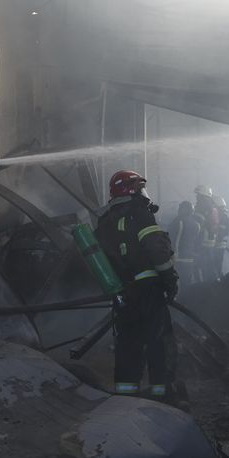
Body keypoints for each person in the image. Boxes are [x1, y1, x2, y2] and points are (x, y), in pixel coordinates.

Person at [95, 170, 179, 400]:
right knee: (159, 343)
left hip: (123, 296)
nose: (144, 192)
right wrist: (170, 280)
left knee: (127, 346)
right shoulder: (139, 213)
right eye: (140, 188)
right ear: (131, 190)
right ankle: (163, 394)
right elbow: (157, 250)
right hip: (149, 291)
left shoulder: (104, 221)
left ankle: (126, 397)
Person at [168, 201, 200, 287]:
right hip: (190, 260)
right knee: (186, 285)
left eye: (181, 208)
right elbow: (197, 242)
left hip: (177, 260)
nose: (178, 210)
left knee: (174, 286)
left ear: (185, 210)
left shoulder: (178, 221)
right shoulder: (197, 224)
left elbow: (170, 238)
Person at [193, 185, 219, 282]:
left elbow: (198, 225)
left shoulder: (203, 208)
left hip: (202, 243)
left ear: (203, 197)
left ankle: (204, 288)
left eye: (198, 195)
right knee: (208, 267)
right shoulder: (212, 208)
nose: (196, 198)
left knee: (202, 267)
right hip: (208, 243)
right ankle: (213, 285)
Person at [212, 195, 229, 280]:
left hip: (219, 245)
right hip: (219, 244)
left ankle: (219, 280)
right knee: (216, 265)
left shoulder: (223, 216)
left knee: (216, 265)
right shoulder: (221, 215)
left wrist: (215, 241)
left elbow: (221, 233)